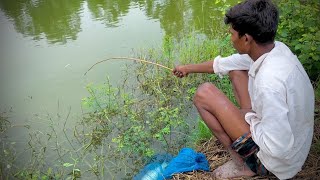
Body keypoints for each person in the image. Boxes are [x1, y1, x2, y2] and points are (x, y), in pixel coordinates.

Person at [172, 0, 314, 179]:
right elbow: (224, 64)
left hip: (279, 164)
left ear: (246, 38)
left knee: (204, 93)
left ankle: (243, 164)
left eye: (232, 33)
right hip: (294, 140)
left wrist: (247, 118)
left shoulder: (268, 82)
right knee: (236, 71)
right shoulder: (275, 50)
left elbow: (277, 148)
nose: (230, 38)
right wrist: (187, 69)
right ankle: (245, 132)